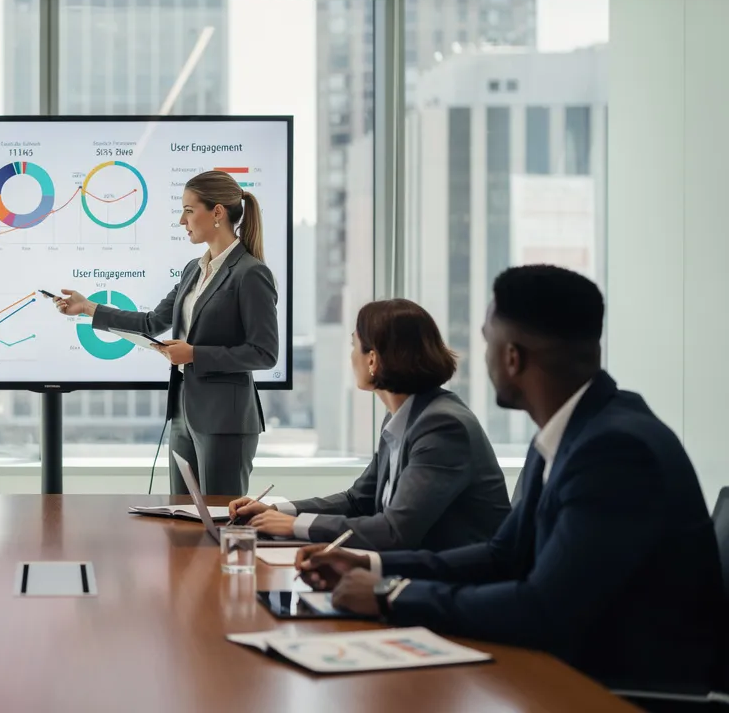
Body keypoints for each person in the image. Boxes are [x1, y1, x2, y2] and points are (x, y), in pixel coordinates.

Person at [296, 265, 724, 690]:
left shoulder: (614, 452)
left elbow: (544, 609)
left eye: (486, 341)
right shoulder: (572, 430)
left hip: (620, 687)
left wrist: (391, 593)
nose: (481, 357)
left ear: (512, 357)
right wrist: (371, 563)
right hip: (572, 663)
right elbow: (503, 555)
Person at [55, 171, 278, 496]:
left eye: (189, 210)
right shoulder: (194, 270)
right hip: (184, 415)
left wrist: (194, 354)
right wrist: (89, 307)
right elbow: (152, 322)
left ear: (217, 212)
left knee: (217, 520)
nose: (181, 219)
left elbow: (264, 352)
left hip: (225, 422)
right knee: (182, 519)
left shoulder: (251, 273)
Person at [228, 299, 511, 550]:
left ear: (372, 359)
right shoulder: (402, 416)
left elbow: (395, 531)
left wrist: (293, 526)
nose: (352, 357)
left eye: (354, 345)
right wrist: (279, 510)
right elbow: (357, 500)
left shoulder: (442, 427)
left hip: (455, 589)